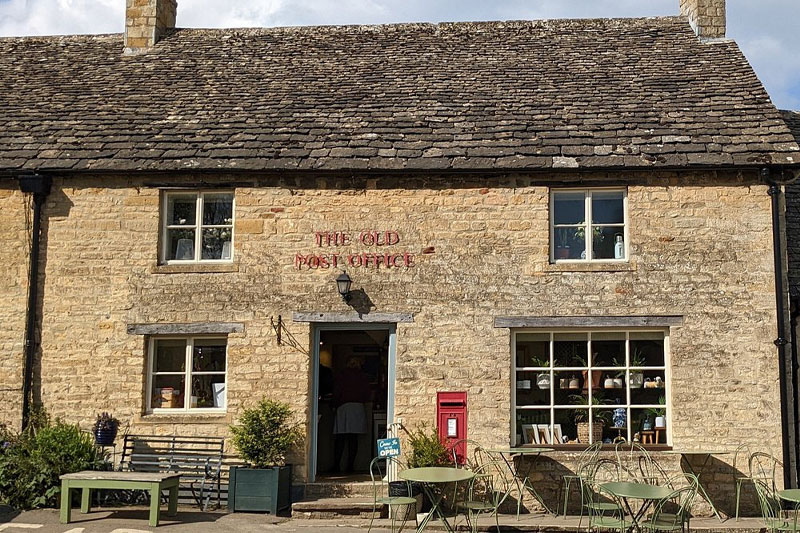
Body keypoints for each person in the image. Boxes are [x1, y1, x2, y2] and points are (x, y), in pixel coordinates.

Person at [332, 357, 371, 473]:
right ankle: (350, 466)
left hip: (344, 407)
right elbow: (367, 394)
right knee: (353, 439)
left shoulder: (342, 375)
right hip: (358, 407)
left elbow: (337, 391)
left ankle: (336, 466)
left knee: (340, 438)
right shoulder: (363, 376)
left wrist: (333, 404)